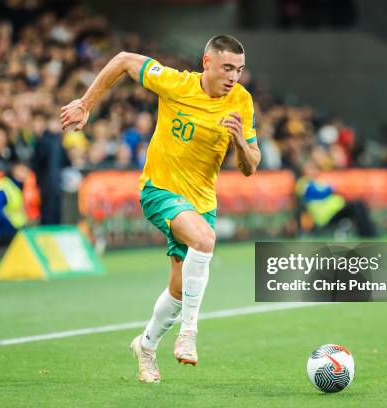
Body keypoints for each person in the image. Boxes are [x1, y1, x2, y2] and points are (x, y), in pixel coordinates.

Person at [60, 35, 261, 383]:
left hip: (201, 202)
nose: (233, 77)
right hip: (159, 190)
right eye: (228, 67)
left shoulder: (241, 101)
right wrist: (86, 103)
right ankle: (189, 333)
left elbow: (250, 167)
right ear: (207, 62)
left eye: (239, 70)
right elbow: (123, 59)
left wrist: (241, 142)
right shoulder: (175, 83)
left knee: (181, 289)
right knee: (205, 239)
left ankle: (147, 345)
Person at [296, 160, 376, 238]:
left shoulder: (319, 182)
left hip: (337, 210)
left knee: (360, 204)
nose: (314, 171)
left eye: (314, 168)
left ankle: (369, 231)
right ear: (303, 170)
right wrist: (332, 188)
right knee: (357, 204)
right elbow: (319, 193)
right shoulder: (303, 183)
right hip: (326, 216)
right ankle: (368, 234)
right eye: (310, 168)